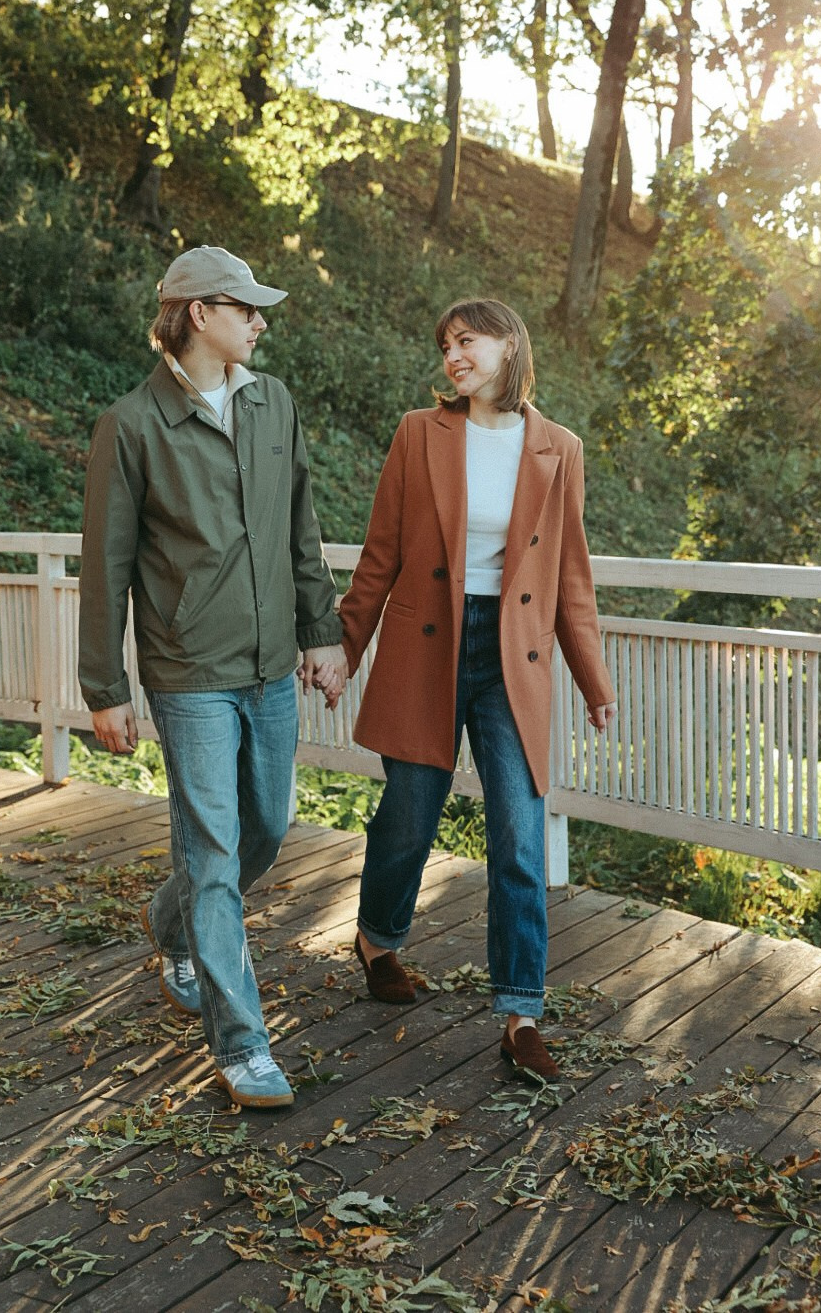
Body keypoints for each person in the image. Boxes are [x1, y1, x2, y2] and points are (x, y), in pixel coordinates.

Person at [78, 245, 347, 1110]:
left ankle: (172, 920)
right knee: (219, 851)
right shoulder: (132, 425)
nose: (261, 321)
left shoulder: (274, 404)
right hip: (187, 669)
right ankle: (243, 1048)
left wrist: (322, 633)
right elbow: (106, 564)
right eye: (247, 308)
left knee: (265, 825)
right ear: (199, 314)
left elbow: (301, 529)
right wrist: (104, 684)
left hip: (270, 666)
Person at [338, 298, 616, 1080]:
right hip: (427, 648)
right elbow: (380, 554)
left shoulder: (559, 448)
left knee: (520, 839)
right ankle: (377, 939)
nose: (453, 355)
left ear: (507, 344)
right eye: (446, 345)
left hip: (512, 660)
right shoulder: (418, 432)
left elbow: (570, 576)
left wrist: (593, 679)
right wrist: (343, 649)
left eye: (467, 341)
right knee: (409, 820)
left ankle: (521, 1014)